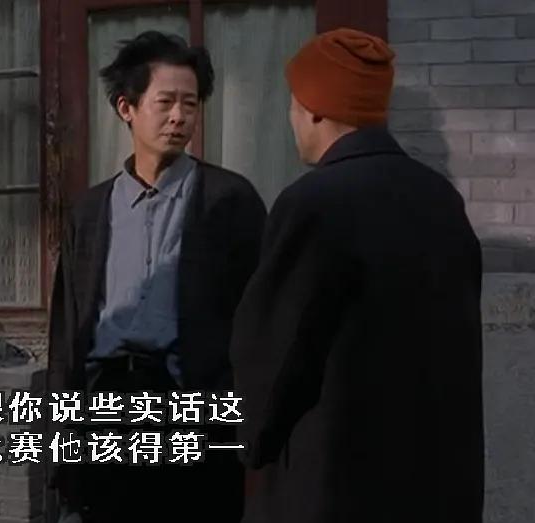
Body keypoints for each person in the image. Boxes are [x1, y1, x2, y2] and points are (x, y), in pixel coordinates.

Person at [229, 28, 484, 523]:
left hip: (335, 478)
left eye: (293, 105)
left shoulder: (314, 202)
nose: (291, 119)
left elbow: (273, 348)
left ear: (315, 110)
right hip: (435, 478)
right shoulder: (440, 199)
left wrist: (250, 439)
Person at [47, 31, 267, 522]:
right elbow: (67, 333)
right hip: (106, 407)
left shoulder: (229, 201)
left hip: (191, 406)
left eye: (190, 103)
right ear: (126, 108)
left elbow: (258, 323)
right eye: (165, 102)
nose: (179, 116)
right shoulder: (91, 211)